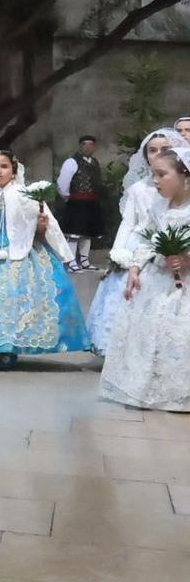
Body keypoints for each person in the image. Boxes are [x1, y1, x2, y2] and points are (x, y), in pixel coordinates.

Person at [0, 149, 89, 367]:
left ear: (14, 171)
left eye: (4, 166)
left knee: (18, 300)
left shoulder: (26, 195)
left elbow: (43, 228)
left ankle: (10, 348)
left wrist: (42, 226)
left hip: (23, 254)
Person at [99, 145, 190, 412]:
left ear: (185, 176)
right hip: (157, 278)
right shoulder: (158, 205)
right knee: (149, 330)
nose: (155, 180)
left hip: (184, 284)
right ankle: (146, 388)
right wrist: (136, 268)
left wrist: (186, 257)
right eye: (153, 174)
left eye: (162, 174)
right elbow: (146, 239)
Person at [90, 128, 179, 354]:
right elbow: (128, 223)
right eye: (152, 150)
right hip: (139, 245)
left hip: (172, 248)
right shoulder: (138, 189)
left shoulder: (179, 189)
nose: (158, 154)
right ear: (145, 155)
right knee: (127, 295)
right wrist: (118, 251)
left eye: (165, 149)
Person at [56, 135, 105, 271]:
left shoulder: (94, 162)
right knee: (74, 234)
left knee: (88, 233)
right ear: (80, 146)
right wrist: (68, 197)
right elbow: (62, 183)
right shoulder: (71, 162)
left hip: (92, 202)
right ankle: (71, 262)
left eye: (91, 145)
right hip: (77, 202)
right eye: (85, 144)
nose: (88, 147)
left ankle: (84, 261)